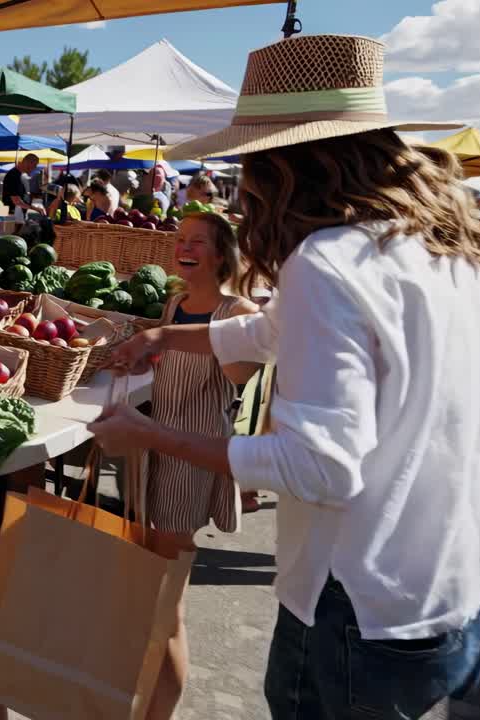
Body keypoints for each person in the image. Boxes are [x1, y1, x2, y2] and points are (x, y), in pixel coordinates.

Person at [95, 35, 480, 720]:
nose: (242, 192)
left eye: (248, 167)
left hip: (362, 601)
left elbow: (318, 466)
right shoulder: (453, 244)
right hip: (467, 587)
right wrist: (162, 334)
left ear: (283, 167)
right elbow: (267, 332)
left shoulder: (328, 260)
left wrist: (151, 435)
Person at [140, 211, 260, 719]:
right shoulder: (174, 303)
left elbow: (236, 375)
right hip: (155, 452)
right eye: (180, 240)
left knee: (167, 610)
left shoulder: (240, 311)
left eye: (197, 242)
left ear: (221, 254)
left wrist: (226, 328)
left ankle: (159, 712)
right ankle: (146, 701)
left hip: (191, 460)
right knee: (154, 602)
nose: (183, 248)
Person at [0, 153, 40, 220]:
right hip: (13, 216)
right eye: (34, 165)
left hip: (17, 214)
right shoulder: (13, 176)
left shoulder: (18, 175)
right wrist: (35, 209)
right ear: (28, 163)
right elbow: (17, 202)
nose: (34, 168)